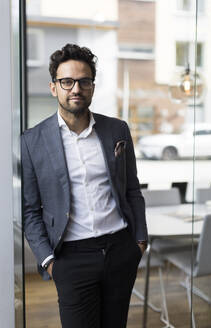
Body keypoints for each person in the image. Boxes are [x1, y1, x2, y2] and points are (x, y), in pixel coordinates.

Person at [21, 43, 148, 328]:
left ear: (92, 86)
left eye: (83, 81)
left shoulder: (117, 130)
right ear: (54, 87)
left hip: (120, 249)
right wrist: (50, 262)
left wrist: (139, 241)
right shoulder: (32, 141)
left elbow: (132, 190)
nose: (75, 88)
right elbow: (30, 211)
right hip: (70, 258)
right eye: (67, 81)